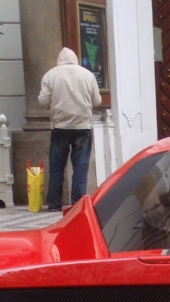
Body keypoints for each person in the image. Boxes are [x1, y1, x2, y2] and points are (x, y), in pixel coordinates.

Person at [38, 47, 102, 210]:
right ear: (76, 59)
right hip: (83, 126)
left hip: (60, 126)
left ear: (59, 60)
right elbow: (97, 101)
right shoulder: (87, 75)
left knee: (57, 167)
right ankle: (78, 205)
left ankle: (54, 204)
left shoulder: (50, 75)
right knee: (81, 167)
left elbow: (43, 101)